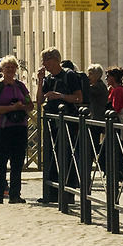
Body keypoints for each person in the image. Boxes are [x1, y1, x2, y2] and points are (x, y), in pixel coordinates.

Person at [38, 49, 85, 199]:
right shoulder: (49, 78)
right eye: (43, 60)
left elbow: (79, 98)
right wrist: (40, 81)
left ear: (56, 60)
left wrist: (60, 96)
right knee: (51, 155)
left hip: (68, 122)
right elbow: (39, 100)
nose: (44, 64)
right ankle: (51, 192)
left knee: (66, 156)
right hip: (52, 122)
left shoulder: (69, 75)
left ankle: (67, 193)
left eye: (46, 60)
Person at [0, 55, 33, 204]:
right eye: (7, 67)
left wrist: (22, 106)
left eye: (13, 67)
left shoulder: (20, 86)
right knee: (1, 162)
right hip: (2, 127)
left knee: (17, 162)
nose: (10, 70)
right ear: (2, 69)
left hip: (19, 127)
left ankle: (15, 194)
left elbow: (30, 104)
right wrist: (12, 108)